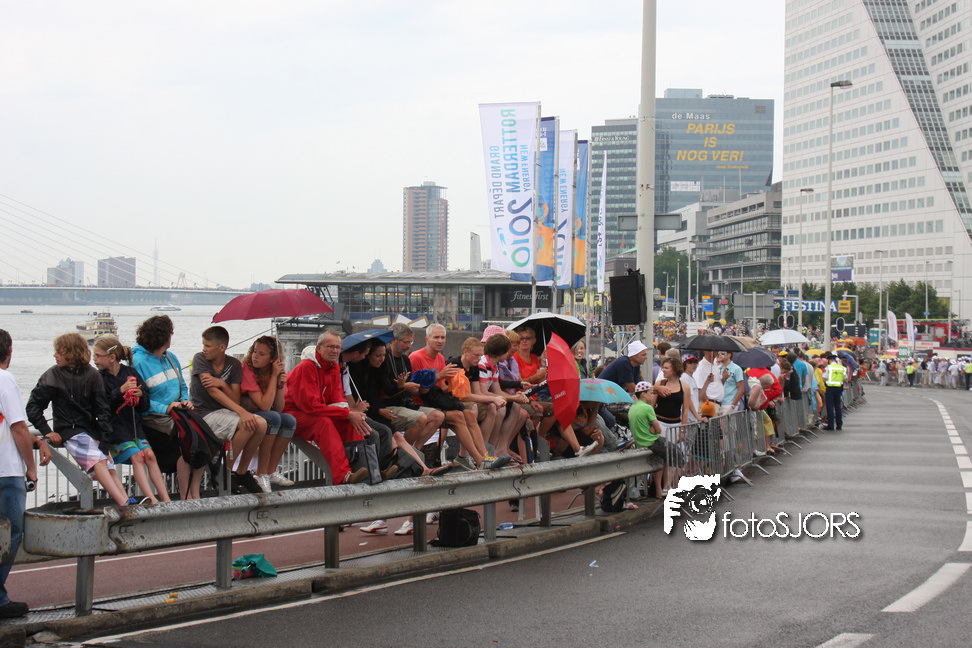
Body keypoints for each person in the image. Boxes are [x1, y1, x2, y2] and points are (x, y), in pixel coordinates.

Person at [26, 333, 130, 507]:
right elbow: (33, 408)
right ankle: (124, 502)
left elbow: (103, 411)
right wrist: (47, 431)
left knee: (107, 464)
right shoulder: (53, 375)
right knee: (99, 461)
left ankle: (127, 501)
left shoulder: (92, 375)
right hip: (70, 430)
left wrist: (105, 443)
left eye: (59, 352)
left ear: (70, 353)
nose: (55, 355)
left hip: (89, 431)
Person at [0, 329, 51, 618]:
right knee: (10, 533)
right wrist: (30, 468)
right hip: (6, 471)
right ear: (9, 352)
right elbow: (18, 427)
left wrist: (36, 439)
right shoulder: (4, 379)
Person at [131, 315, 203, 499]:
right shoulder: (138, 362)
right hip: (153, 421)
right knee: (183, 450)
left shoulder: (171, 358)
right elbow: (141, 398)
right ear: (163, 337)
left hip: (177, 415)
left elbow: (182, 386)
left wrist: (185, 400)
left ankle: (194, 493)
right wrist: (166, 407)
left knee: (201, 442)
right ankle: (186, 497)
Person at [284, 331, 370, 485]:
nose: (335, 351)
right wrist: (347, 413)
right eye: (330, 347)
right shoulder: (306, 367)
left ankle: (368, 470)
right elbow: (310, 407)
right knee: (323, 423)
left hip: (313, 411)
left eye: (338, 347)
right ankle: (343, 476)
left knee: (351, 423)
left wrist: (351, 415)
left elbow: (337, 400)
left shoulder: (334, 366)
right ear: (319, 348)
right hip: (291, 413)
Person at [189, 326, 267, 494]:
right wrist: (242, 412)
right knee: (247, 424)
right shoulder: (200, 359)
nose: (204, 349)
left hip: (225, 412)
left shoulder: (234, 364)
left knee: (261, 424)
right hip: (204, 414)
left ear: (222, 347)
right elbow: (213, 392)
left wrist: (223, 384)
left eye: (208, 346)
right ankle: (224, 472)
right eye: (203, 345)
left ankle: (242, 471)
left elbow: (235, 399)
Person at [93, 337, 170, 503]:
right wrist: (120, 391)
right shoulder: (99, 378)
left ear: (112, 358)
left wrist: (140, 395)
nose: (94, 359)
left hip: (134, 426)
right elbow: (101, 406)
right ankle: (152, 499)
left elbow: (145, 404)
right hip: (115, 431)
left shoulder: (131, 373)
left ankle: (165, 499)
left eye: (98, 356)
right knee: (137, 457)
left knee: (149, 455)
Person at [240, 336, 296, 493]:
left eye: (261, 354)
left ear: (273, 359)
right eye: (255, 351)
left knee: (289, 421)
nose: (255, 356)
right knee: (273, 418)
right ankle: (261, 473)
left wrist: (280, 386)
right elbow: (264, 405)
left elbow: (279, 407)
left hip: (262, 413)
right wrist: (273, 377)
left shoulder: (275, 372)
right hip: (245, 412)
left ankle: (271, 471)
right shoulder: (247, 368)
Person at [629, 381, 680, 499]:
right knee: (676, 454)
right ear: (643, 394)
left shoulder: (633, 407)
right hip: (651, 442)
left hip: (640, 442)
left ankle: (660, 489)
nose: (653, 396)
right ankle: (666, 487)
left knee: (663, 457)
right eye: (651, 393)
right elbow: (658, 430)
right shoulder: (647, 408)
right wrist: (653, 428)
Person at [821, 354, 847, 430]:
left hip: (830, 388)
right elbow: (845, 379)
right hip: (839, 388)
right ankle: (839, 424)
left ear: (829, 360)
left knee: (830, 406)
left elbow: (824, 378)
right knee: (838, 406)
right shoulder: (842, 368)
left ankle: (831, 425)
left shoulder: (828, 367)